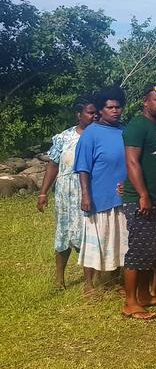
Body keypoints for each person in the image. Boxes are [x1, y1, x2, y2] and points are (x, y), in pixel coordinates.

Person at [121, 84, 156, 320]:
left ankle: (144, 295)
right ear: (145, 102)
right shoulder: (137, 126)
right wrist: (143, 195)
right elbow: (132, 162)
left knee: (153, 253)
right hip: (142, 200)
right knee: (139, 252)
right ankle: (130, 302)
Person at [37, 97, 98, 290]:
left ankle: (89, 283)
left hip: (89, 191)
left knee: (88, 233)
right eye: (90, 112)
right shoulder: (63, 138)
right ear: (78, 115)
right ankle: (59, 279)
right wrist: (43, 193)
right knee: (63, 233)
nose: (94, 116)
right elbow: (53, 165)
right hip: (65, 193)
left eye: (96, 112)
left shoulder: (100, 136)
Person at [74, 87, 128, 294]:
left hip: (122, 197)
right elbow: (83, 167)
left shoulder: (125, 131)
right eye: (110, 107)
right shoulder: (91, 134)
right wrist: (86, 195)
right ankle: (89, 284)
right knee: (95, 240)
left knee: (120, 240)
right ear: (101, 110)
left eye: (118, 107)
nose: (115, 111)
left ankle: (116, 280)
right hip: (98, 197)